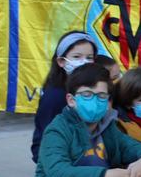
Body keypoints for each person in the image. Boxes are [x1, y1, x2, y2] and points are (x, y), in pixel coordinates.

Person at [32, 31, 97, 163]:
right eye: (77, 57)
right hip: (56, 158)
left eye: (89, 57)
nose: (84, 62)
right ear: (61, 61)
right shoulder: (55, 96)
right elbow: (47, 137)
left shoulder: (93, 87)